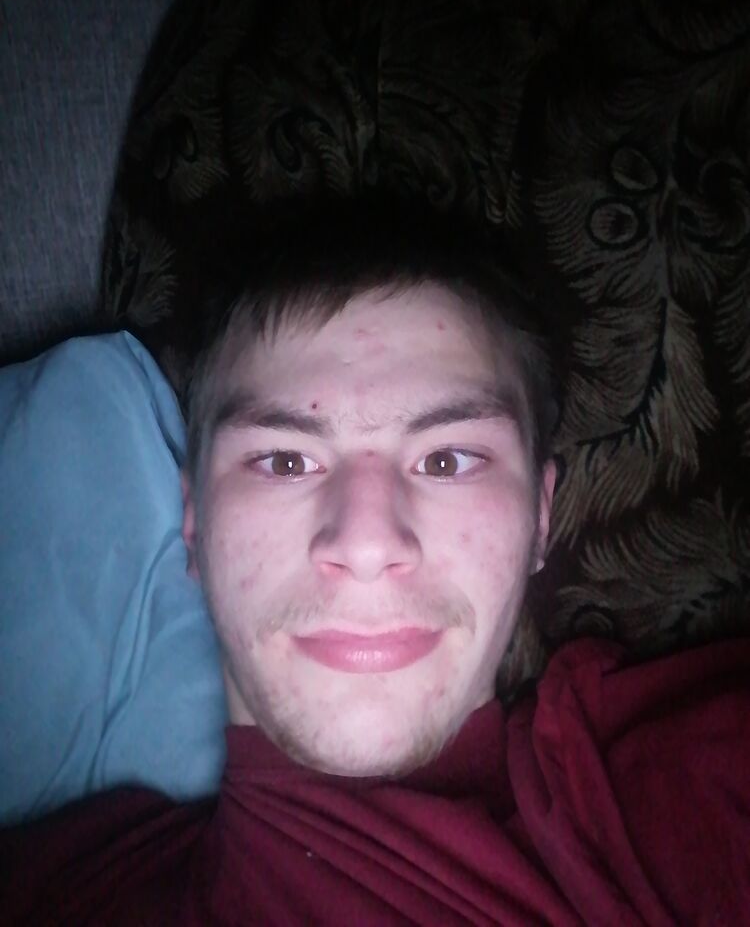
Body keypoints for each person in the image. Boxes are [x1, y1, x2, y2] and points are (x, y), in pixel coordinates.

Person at [2, 200, 749, 925]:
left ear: (541, 519)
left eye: (448, 460)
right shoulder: (61, 888)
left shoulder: (663, 794)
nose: (364, 545)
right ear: (194, 523)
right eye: (285, 461)